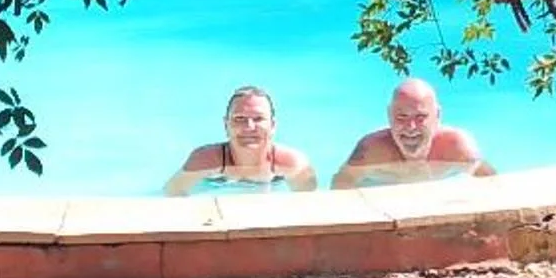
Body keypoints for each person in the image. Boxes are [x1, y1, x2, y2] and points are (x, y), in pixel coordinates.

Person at [333, 77, 492, 188]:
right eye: (402, 117)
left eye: (420, 117)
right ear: (389, 116)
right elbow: (340, 188)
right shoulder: (371, 151)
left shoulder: (459, 149)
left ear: (437, 116)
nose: (411, 127)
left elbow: (494, 187)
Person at [166, 84, 316, 195]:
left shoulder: (294, 164)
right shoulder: (204, 161)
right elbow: (172, 195)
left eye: (258, 118)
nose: (249, 127)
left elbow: (310, 207)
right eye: (240, 119)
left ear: (273, 125)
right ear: (226, 125)